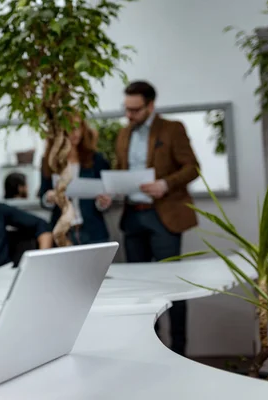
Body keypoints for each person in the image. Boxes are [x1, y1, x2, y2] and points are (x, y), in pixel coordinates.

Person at [98, 80, 200, 356]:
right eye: (126, 109)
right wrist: (111, 193)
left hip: (163, 216)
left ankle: (179, 352)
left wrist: (165, 184)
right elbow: (120, 172)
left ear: (151, 105)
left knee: (173, 287)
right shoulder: (122, 134)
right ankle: (151, 350)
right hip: (133, 218)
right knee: (140, 292)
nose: (129, 115)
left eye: (135, 109)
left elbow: (192, 168)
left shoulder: (172, 129)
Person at [39, 115, 111, 245]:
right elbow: (43, 196)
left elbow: (105, 192)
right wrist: (49, 197)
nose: (75, 133)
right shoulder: (50, 160)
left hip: (92, 229)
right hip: (63, 230)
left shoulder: (96, 159)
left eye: (78, 127)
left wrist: (103, 202)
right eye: (69, 128)